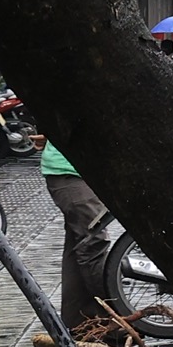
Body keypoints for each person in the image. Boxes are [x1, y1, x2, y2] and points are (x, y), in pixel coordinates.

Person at [40, 137, 116, 327]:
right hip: (70, 173)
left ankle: (78, 320)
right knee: (93, 244)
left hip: (71, 171)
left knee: (78, 247)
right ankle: (115, 318)